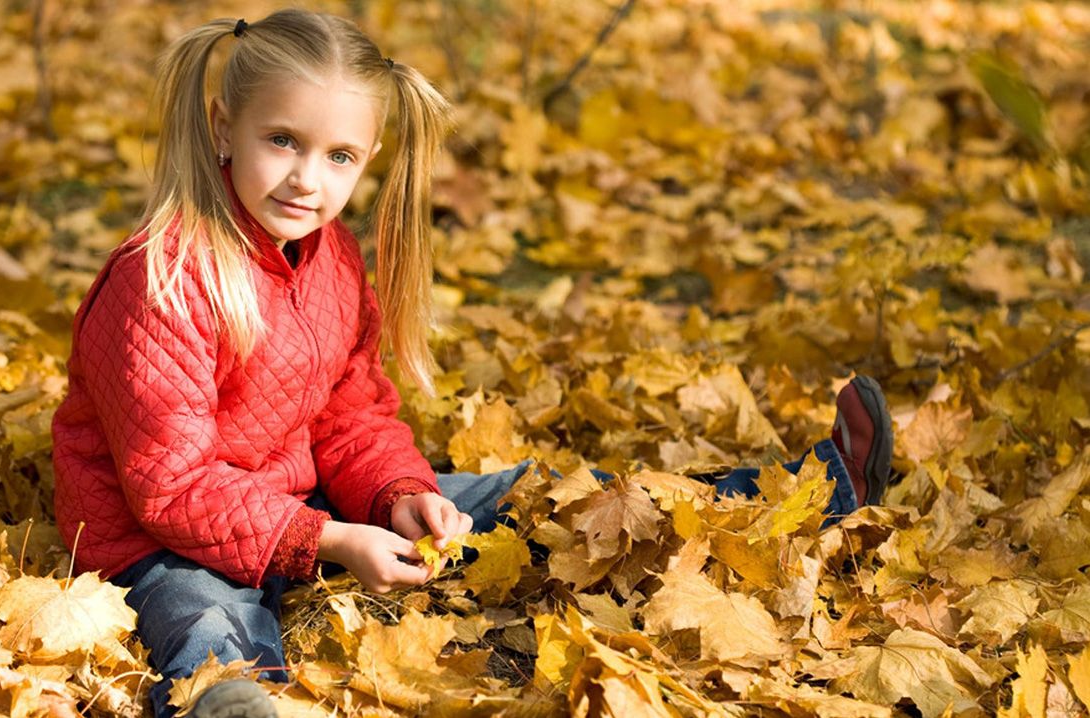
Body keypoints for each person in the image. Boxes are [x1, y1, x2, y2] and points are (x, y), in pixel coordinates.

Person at [49, 9, 894, 718]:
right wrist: (333, 539)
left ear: (367, 159)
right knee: (205, 616)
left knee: (529, 499)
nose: (308, 179)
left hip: (294, 501)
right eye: (282, 141)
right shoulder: (165, 277)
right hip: (158, 534)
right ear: (223, 127)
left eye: (338, 156)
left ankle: (806, 489)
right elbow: (169, 487)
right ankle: (233, 699)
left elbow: (352, 412)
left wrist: (400, 494)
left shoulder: (329, 255)